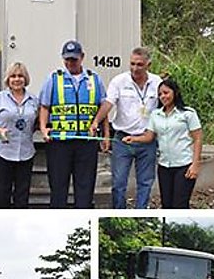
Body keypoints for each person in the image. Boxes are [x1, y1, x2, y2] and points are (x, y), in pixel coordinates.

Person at [38, 40, 108, 208]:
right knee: (58, 188)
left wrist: (106, 135)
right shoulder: (54, 79)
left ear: (82, 57)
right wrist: (43, 128)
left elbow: (103, 108)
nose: (70, 63)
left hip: (87, 142)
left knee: (85, 189)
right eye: (67, 59)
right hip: (60, 143)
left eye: (74, 59)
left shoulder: (94, 79)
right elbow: (45, 106)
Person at [89, 47, 161, 209]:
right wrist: (96, 121)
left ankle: (140, 212)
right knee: (119, 182)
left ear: (148, 65)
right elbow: (108, 103)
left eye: (140, 65)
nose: (135, 68)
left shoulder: (156, 83)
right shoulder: (119, 81)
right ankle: (119, 211)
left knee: (145, 182)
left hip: (147, 139)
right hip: (123, 139)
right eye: (132, 64)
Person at [122, 78, 202, 208]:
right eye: (160, 94)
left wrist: (195, 164)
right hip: (164, 166)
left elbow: (198, 138)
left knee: (180, 204)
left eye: (166, 92)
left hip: (184, 165)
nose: (163, 96)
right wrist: (134, 139)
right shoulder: (155, 114)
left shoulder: (188, 114)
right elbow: (149, 136)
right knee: (166, 204)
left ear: (175, 93)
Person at [0, 62, 39, 208]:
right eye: (13, 76)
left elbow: (37, 122)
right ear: (8, 79)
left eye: (20, 76)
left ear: (25, 79)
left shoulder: (34, 100)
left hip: (26, 152)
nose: (17, 79)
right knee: (3, 193)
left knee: (22, 194)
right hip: (4, 152)